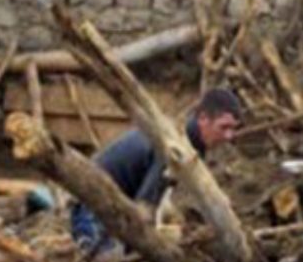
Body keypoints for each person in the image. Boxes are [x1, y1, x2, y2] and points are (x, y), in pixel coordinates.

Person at [71, 88, 243, 252]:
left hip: (113, 208)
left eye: (233, 128)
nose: (229, 136)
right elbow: (144, 207)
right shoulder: (174, 147)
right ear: (203, 118)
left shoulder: (189, 142)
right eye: (224, 127)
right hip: (94, 212)